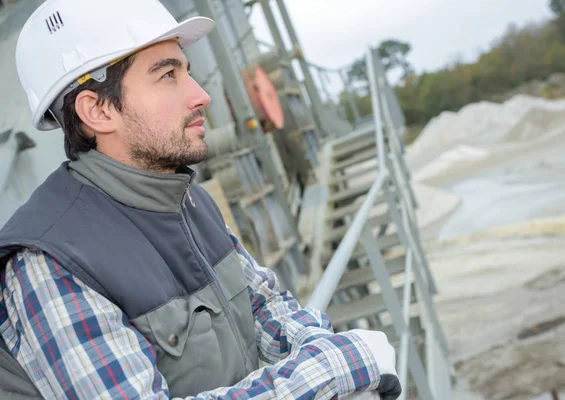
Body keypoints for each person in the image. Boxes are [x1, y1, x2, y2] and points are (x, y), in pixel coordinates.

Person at [0, 0, 401, 399]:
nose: (201, 95)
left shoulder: (188, 199)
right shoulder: (50, 263)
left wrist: (324, 346)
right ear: (99, 111)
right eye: (167, 76)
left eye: (186, 70)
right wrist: (335, 367)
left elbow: (264, 306)